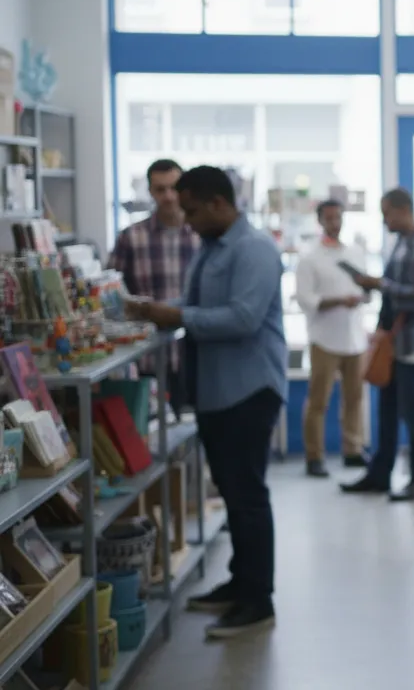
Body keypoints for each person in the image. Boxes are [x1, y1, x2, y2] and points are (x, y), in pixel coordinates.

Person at [126, 165, 286, 639]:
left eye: (192, 210)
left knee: (248, 496)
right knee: (234, 494)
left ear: (219, 203)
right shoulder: (212, 247)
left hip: (249, 390)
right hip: (217, 392)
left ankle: (258, 602)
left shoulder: (254, 249)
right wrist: (153, 309)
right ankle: (240, 582)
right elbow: (197, 301)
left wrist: (174, 314)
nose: (186, 219)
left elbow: (242, 318)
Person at [341, 188, 414, 502]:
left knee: (413, 413)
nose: (385, 219)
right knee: (386, 411)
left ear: (403, 210)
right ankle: (379, 474)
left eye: (387, 212)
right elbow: (393, 291)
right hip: (392, 344)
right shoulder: (399, 246)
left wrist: (381, 284)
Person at [108, 158, 199, 417]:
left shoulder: (201, 235)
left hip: (192, 355)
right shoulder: (131, 237)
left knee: (191, 434)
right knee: (150, 434)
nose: (169, 196)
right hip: (146, 356)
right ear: (150, 191)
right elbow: (113, 296)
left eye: (174, 188)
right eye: (160, 189)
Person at [294, 199, 370, 478]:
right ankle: (314, 456)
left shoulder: (355, 252)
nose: (334, 223)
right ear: (320, 221)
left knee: (354, 398)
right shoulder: (309, 258)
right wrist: (338, 301)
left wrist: (361, 297)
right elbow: (306, 298)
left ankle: (353, 449)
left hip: (354, 338)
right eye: (329, 218)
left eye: (338, 217)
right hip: (324, 338)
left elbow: (366, 288)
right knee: (318, 401)